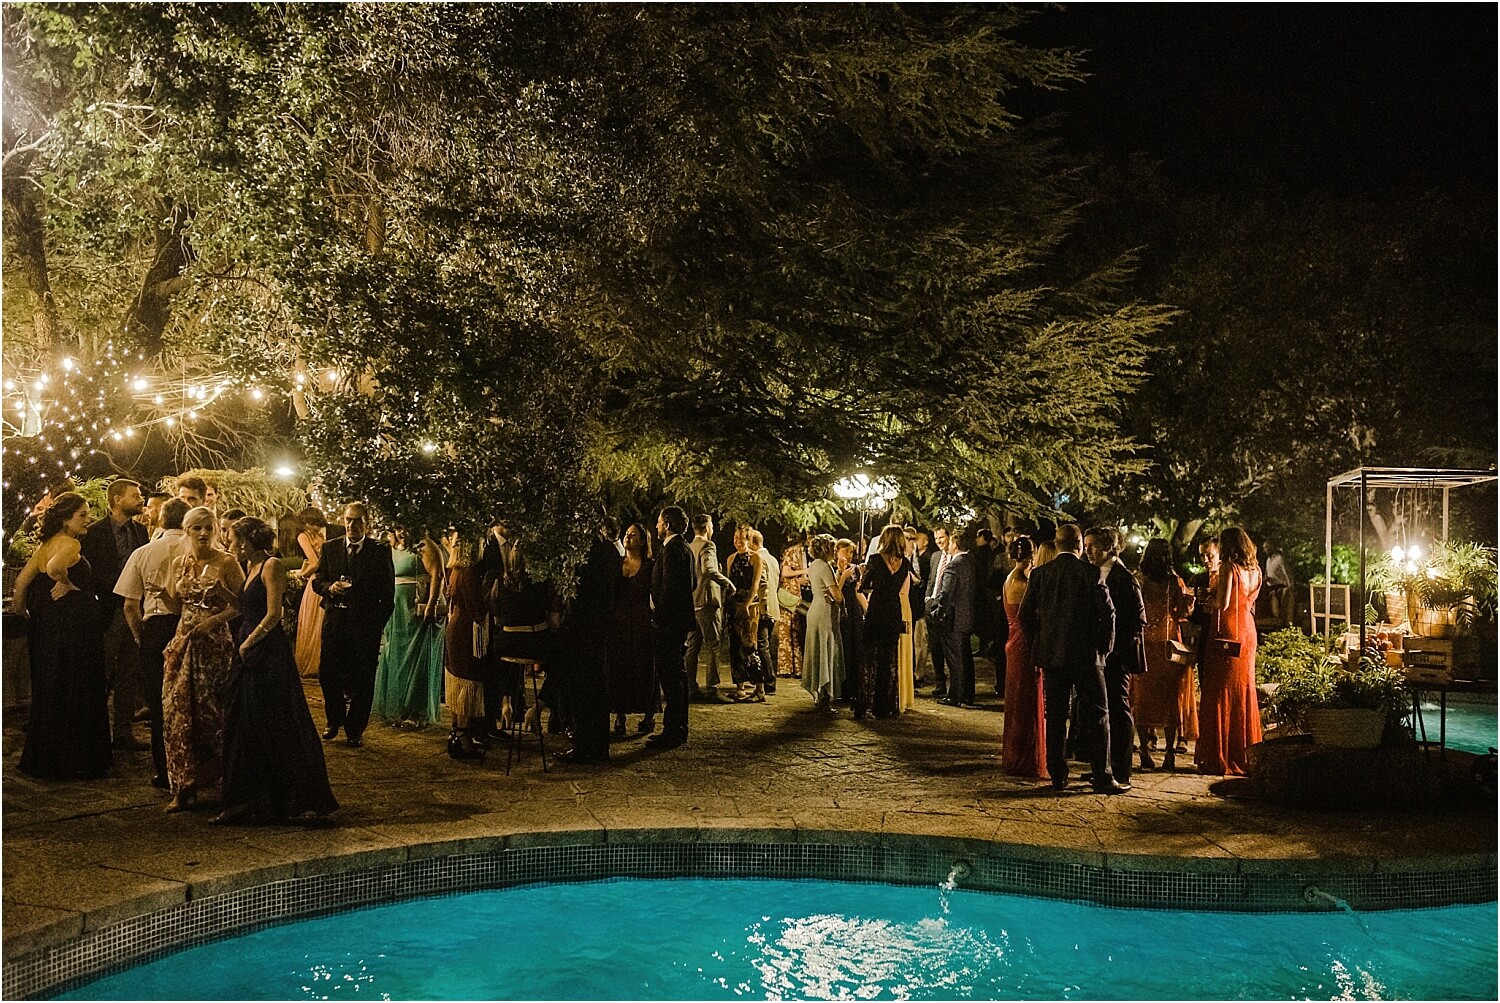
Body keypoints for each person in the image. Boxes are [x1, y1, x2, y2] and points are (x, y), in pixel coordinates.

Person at [215, 517, 338, 824]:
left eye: (230, 539)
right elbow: (246, 607)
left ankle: (298, 798)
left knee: (276, 720)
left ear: (244, 541)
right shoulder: (250, 567)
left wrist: (248, 644)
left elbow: (273, 614)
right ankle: (249, 799)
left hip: (267, 651)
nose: (229, 545)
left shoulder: (272, 566)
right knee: (242, 719)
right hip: (247, 644)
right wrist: (221, 594)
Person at [11, 492, 113, 779]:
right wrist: (68, 583)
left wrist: (26, 612)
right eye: (82, 514)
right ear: (66, 518)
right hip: (73, 629)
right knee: (75, 683)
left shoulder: (45, 544)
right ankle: (76, 756)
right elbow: (56, 568)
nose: (88, 519)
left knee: (51, 684)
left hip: (48, 626)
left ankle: (48, 755)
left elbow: (21, 583)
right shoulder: (70, 543)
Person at [1019, 523, 1125, 794]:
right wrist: (1105, 647)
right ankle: (1102, 774)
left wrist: (1038, 643)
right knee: (1098, 715)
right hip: (1087, 656)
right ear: (1079, 545)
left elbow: (1025, 615)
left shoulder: (1041, 574)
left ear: (1056, 545)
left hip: (1053, 655)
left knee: (1055, 716)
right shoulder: (1091, 573)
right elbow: (1108, 613)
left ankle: (1058, 774)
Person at [161, 506, 245, 810]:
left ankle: (224, 781)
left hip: (214, 646)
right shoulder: (180, 563)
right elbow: (175, 601)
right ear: (187, 531)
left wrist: (211, 621)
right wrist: (159, 594)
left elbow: (242, 606)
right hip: (184, 643)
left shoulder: (227, 562)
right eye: (196, 528)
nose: (203, 534)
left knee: (213, 714)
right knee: (178, 713)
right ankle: (183, 787)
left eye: (208, 528)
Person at [116, 497, 191, 788]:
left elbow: (129, 606)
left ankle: (164, 770)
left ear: (161, 520)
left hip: (156, 628)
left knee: (160, 704)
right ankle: (196, 768)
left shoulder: (143, 553)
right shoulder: (201, 550)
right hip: (192, 624)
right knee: (193, 700)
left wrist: (140, 636)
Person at [310, 502, 395, 747]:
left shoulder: (379, 550)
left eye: (357, 520)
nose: (352, 525)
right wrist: (329, 588)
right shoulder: (331, 548)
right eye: (348, 520)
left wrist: (376, 624)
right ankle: (334, 719)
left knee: (363, 679)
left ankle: (355, 729)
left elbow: (387, 592)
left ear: (366, 523)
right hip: (335, 622)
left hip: (364, 627)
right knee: (328, 674)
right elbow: (318, 579)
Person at [80, 477, 149, 750]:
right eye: (136, 495)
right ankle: (95, 732)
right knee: (102, 670)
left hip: (136, 608)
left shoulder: (141, 531)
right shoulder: (95, 533)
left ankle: (123, 731)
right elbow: (88, 572)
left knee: (130, 671)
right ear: (117, 500)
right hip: (107, 609)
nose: (141, 499)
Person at [1196, 526, 1263, 776]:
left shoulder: (1228, 568)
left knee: (1219, 691)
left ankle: (1219, 754)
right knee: (1243, 691)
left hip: (1226, 630)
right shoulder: (1255, 570)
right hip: (1247, 630)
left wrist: (1206, 599)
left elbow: (1222, 604)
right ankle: (1242, 751)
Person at [1086, 526, 1147, 788]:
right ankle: (1104, 765)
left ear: (1109, 547)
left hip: (1117, 656)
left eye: (1092, 546)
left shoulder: (1123, 577)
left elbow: (1138, 619)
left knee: (1119, 709)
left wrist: (1115, 649)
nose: (1087, 551)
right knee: (1103, 709)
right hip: (1101, 654)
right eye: (1086, 546)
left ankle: (1122, 769)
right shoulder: (1095, 572)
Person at [557, 520, 620, 764]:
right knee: (595, 685)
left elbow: (581, 589)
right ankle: (597, 744)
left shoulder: (588, 550)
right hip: (598, 625)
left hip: (584, 625)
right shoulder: (609, 550)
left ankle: (585, 744)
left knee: (583, 686)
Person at [1132, 539, 1196, 772]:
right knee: (1170, 699)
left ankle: (1144, 752)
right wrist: (1191, 602)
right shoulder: (1174, 581)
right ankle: (1169, 752)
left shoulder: (1139, 580)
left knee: (1142, 698)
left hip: (1145, 644)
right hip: (1168, 644)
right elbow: (1182, 612)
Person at [372, 527, 443, 729]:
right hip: (397, 610)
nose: (402, 532)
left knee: (417, 659)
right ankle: (399, 707)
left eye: (405, 526)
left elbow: (437, 573)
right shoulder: (393, 548)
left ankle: (416, 711)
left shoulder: (424, 545)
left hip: (416, 609)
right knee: (395, 656)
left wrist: (432, 603)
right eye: (397, 527)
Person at [646, 506, 695, 749]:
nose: (656, 526)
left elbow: (671, 589)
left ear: (667, 524)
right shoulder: (683, 548)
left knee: (671, 677)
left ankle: (674, 729)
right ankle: (676, 727)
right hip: (676, 621)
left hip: (669, 623)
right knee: (676, 675)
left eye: (658, 522)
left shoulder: (673, 550)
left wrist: (659, 616)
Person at [1001, 536, 1047, 779]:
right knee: (1024, 701)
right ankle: (1024, 758)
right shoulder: (1023, 582)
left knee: (1018, 699)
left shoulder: (1010, 578)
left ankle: (1015, 753)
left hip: (1013, 641)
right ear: (1033, 554)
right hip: (1023, 644)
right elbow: (1030, 617)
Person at [608, 523, 659, 735]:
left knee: (643, 667)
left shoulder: (649, 566)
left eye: (633, 535)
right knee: (619, 668)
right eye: (627, 534)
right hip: (619, 623)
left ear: (642, 540)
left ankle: (649, 714)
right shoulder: (617, 564)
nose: (628, 538)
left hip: (640, 622)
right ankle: (619, 714)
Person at [857, 526, 913, 719]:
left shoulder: (874, 560)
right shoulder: (904, 563)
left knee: (870, 657)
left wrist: (867, 576)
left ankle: (865, 703)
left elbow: (863, 587)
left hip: (877, 610)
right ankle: (886, 704)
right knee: (889, 659)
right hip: (893, 611)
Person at [442, 530, 487, 759]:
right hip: (466, 629)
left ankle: (456, 731)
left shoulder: (454, 570)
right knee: (466, 681)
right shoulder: (469, 572)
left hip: (455, 625)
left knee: (457, 680)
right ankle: (463, 735)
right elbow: (475, 605)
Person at [686, 514, 735, 701]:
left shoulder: (689, 547)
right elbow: (709, 570)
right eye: (712, 525)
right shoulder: (708, 546)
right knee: (714, 645)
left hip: (693, 601)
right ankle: (712, 689)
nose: (713, 528)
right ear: (707, 526)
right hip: (708, 601)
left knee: (693, 646)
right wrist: (727, 583)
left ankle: (691, 686)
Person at [932, 525, 977, 707]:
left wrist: (938, 613)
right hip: (966, 617)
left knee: (954, 659)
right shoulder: (971, 563)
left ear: (956, 544)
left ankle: (955, 695)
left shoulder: (954, 565)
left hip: (953, 620)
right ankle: (967, 693)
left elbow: (946, 594)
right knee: (965, 658)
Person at [800, 534, 845, 713]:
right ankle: (824, 695)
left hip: (815, 609)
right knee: (826, 651)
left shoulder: (813, 565)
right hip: (824, 612)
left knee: (817, 650)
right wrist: (842, 577)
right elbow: (838, 596)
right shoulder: (825, 567)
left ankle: (819, 694)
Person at [725, 525, 765, 702]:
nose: (738, 542)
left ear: (749, 540)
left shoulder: (755, 558)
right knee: (735, 646)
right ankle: (740, 687)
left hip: (750, 605)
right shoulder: (730, 559)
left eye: (741, 538)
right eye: (735, 538)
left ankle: (759, 688)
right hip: (734, 604)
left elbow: (756, 584)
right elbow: (728, 584)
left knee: (750, 645)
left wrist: (747, 604)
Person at [292, 507, 329, 678]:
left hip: (315, 581)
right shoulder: (319, 537)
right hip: (324, 579)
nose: (314, 527)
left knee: (312, 622)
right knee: (319, 623)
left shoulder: (304, 536)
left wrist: (301, 575)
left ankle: (313, 663)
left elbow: (313, 563)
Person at [834, 539, 869, 712]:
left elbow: (858, 591)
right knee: (843, 647)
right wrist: (842, 576)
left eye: (851, 552)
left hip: (854, 611)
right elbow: (835, 593)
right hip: (841, 610)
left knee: (856, 647)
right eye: (846, 551)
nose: (848, 555)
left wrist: (867, 609)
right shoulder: (832, 569)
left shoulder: (854, 569)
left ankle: (855, 687)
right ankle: (842, 687)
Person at [777, 530, 811, 679]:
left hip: (797, 595)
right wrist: (804, 572)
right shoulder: (792, 551)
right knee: (786, 631)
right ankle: (785, 667)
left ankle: (797, 667)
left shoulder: (805, 553)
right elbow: (785, 572)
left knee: (796, 631)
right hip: (789, 595)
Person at [922, 526, 950, 698]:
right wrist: (927, 598)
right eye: (936, 538)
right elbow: (932, 579)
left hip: (945, 608)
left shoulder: (954, 557)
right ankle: (940, 681)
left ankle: (953, 683)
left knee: (948, 647)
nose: (939, 541)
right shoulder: (935, 556)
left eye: (942, 538)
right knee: (936, 647)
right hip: (931, 606)